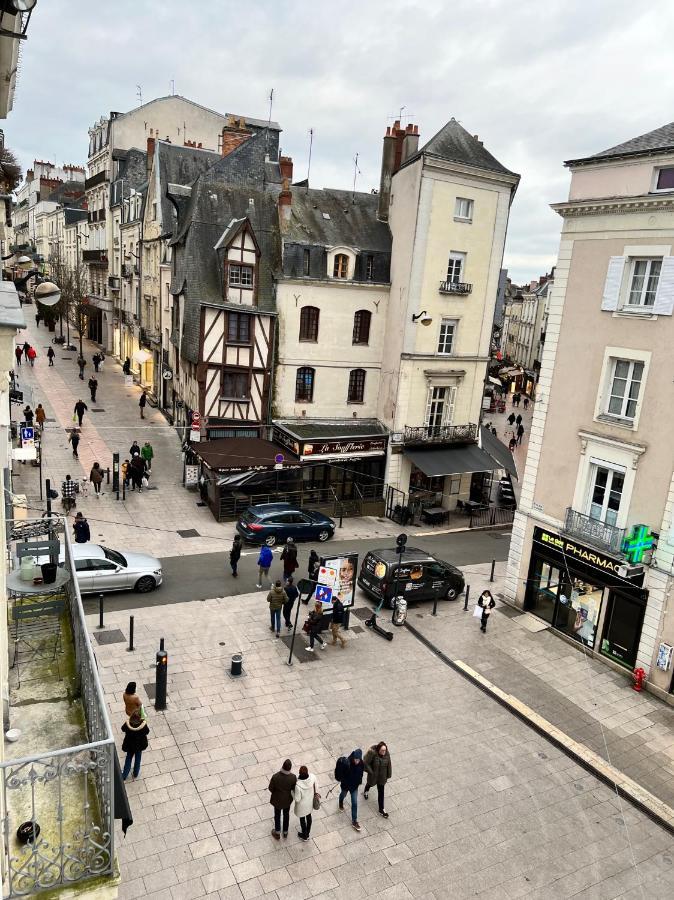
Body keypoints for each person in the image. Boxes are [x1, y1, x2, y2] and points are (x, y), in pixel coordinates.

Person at [268, 759, 296, 840]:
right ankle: (285, 832)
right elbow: (294, 789)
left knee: (277, 815)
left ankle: (277, 832)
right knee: (286, 815)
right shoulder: (293, 777)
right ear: (290, 768)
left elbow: (270, 788)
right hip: (287, 801)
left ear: (283, 766)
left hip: (277, 801)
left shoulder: (275, 776)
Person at [363, 741, 392, 818]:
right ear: (379, 749)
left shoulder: (387, 754)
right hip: (373, 776)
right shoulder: (372, 754)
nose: (384, 752)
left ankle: (381, 809)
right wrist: (371, 772)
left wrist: (388, 775)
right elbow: (366, 762)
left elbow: (389, 764)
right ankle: (366, 791)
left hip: (382, 777)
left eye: (385, 750)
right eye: (382, 750)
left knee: (381, 792)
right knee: (369, 784)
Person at [338, 749, 364, 831]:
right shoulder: (347, 762)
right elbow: (342, 773)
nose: (356, 761)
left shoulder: (361, 763)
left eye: (358, 759)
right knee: (343, 794)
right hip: (346, 785)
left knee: (355, 802)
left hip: (354, 787)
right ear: (353, 758)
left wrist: (359, 781)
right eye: (355, 759)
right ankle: (340, 802)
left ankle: (354, 821)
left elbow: (361, 773)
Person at [121, 710, 149, 782]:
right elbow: (147, 731)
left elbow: (123, 729)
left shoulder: (128, 724)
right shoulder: (142, 725)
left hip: (130, 745)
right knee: (138, 759)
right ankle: (136, 773)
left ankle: (124, 775)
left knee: (128, 759)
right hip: (139, 746)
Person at [293, 765, 317, 841]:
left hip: (302, 806)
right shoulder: (312, 777)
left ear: (299, 773)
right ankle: (307, 833)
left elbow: (297, 799)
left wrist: (291, 792)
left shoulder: (298, 785)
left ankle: (304, 835)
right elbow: (316, 786)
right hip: (309, 803)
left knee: (302, 819)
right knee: (309, 817)